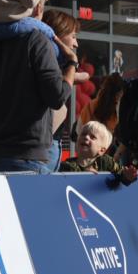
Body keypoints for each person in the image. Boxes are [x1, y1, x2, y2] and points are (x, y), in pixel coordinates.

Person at [0, 0, 73, 173]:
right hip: (27, 159)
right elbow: (57, 97)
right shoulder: (38, 42)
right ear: (38, 8)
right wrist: (71, 65)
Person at [43, 9, 90, 170]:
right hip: (42, 150)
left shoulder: (56, 67)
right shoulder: (44, 66)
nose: (76, 44)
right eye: (73, 36)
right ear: (58, 35)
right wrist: (71, 63)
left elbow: (84, 76)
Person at [59, 121, 138, 186]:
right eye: (83, 134)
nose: (86, 137)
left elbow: (120, 172)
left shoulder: (105, 162)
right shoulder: (67, 165)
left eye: (92, 137)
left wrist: (127, 176)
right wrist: (82, 177)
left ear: (102, 150)